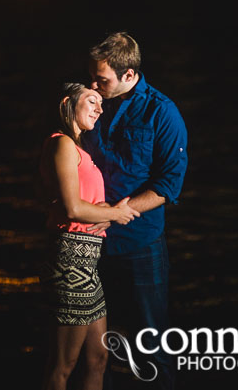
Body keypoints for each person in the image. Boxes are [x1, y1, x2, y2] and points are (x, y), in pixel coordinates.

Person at [81, 32, 188, 390]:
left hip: (140, 246)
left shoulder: (162, 112)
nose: (94, 84)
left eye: (102, 79)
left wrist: (117, 212)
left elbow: (169, 183)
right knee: (95, 350)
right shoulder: (91, 102)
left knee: (150, 345)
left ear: (129, 75)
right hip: (92, 244)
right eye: (92, 76)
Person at [39, 82, 140, 390]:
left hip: (88, 265)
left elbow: (86, 205)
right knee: (63, 365)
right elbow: (71, 208)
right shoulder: (62, 144)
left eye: (100, 102)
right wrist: (114, 214)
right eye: (91, 101)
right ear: (68, 103)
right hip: (70, 263)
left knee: (98, 358)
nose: (100, 108)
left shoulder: (78, 149)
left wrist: (105, 214)